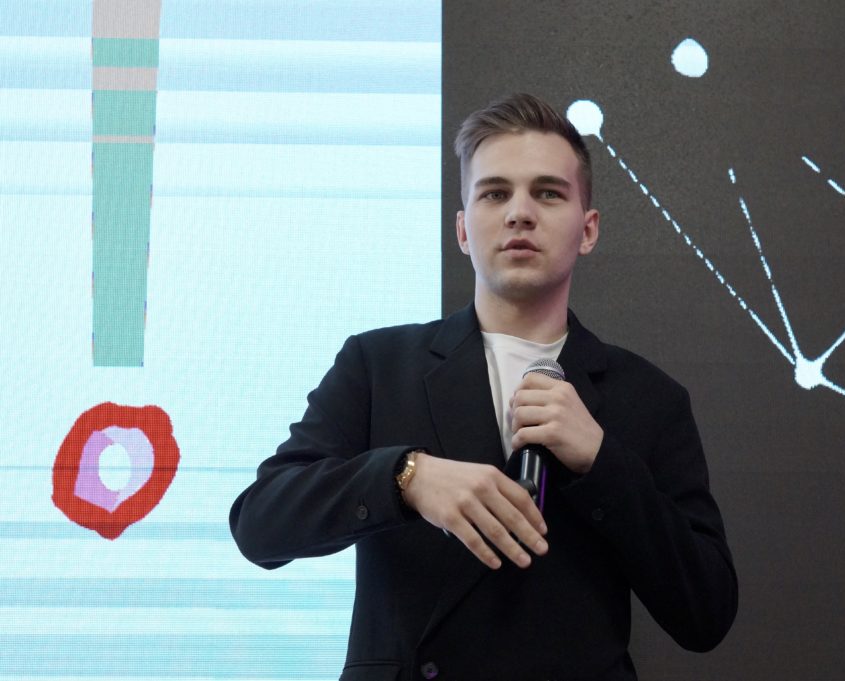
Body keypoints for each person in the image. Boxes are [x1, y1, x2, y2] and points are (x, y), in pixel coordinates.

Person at [230, 93, 737, 681]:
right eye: (495, 194)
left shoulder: (648, 398)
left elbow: (706, 612)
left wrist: (603, 463)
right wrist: (406, 478)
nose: (520, 213)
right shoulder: (377, 365)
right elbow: (260, 525)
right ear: (463, 230)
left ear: (588, 229)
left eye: (548, 193)